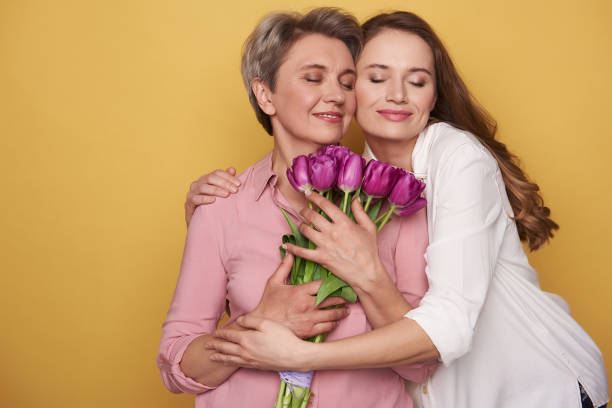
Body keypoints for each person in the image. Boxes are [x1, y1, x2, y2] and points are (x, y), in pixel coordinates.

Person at [189, 11, 609, 408]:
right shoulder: (354, 185)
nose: (397, 95)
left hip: (536, 391)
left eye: (418, 81)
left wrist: (299, 356)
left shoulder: (458, 158)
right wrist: (207, 215)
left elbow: (449, 327)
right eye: (374, 77)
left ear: (435, 94)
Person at [157, 8, 436, 408]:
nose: (337, 95)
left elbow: (421, 364)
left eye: (347, 82)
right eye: (313, 78)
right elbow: (177, 367)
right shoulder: (220, 208)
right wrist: (261, 323)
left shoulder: (392, 203)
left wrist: (368, 273)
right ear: (265, 94)